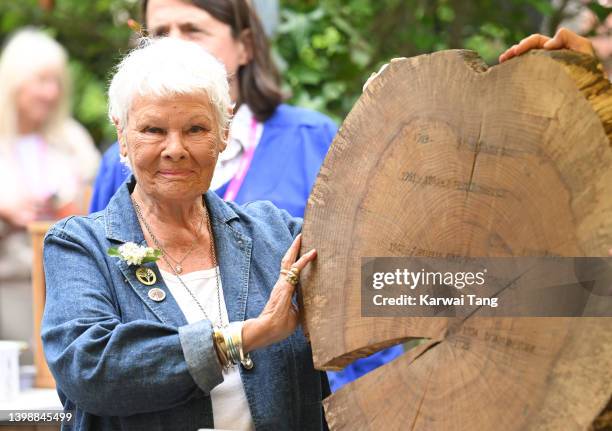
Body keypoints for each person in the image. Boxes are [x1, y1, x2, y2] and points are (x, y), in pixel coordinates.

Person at [88, 0, 404, 392]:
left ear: (245, 46)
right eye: (158, 34)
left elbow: (376, 274)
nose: (175, 47)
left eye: (193, 30)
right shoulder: (120, 167)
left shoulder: (314, 141)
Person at [42, 37, 324, 431]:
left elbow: (377, 274)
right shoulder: (82, 246)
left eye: (195, 129)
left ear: (224, 131)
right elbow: (90, 368)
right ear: (122, 136)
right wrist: (243, 337)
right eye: (153, 130)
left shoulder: (273, 235)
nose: (175, 149)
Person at [0, 28, 99, 364]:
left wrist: (73, 210)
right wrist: (6, 213)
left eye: (57, 82)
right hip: (11, 286)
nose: (51, 92)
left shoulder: (72, 138)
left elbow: (98, 206)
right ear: (14, 81)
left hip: (68, 283)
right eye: (41, 81)